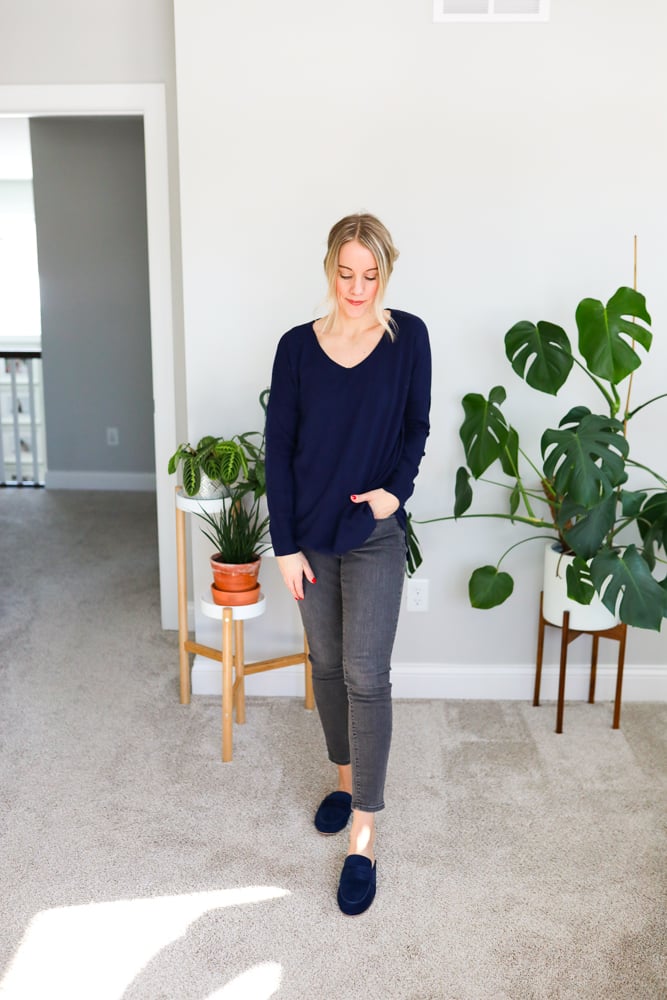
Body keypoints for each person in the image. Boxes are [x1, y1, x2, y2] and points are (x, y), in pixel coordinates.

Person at [265, 212, 431, 915]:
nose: (357, 287)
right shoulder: (297, 348)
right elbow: (278, 449)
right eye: (346, 273)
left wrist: (395, 493)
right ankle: (344, 776)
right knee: (326, 668)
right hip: (307, 538)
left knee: (366, 674)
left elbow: (416, 424)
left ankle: (363, 832)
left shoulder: (407, 338)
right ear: (329, 268)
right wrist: (283, 545)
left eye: (370, 275)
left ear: (384, 273)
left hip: (370, 535)